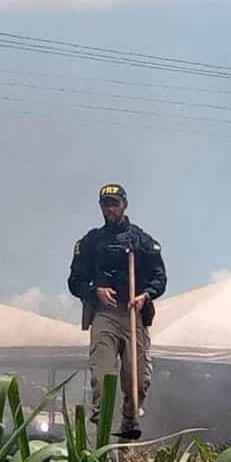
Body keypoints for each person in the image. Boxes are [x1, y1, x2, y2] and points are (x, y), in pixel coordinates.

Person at [68, 183, 167, 439]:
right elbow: (75, 281)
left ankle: (129, 422)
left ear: (124, 204)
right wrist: (94, 291)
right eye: (105, 204)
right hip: (104, 315)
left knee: (137, 380)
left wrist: (145, 295)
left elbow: (160, 277)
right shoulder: (90, 242)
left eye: (114, 203)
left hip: (134, 314)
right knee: (103, 375)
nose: (110, 208)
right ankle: (101, 423)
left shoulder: (143, 241)